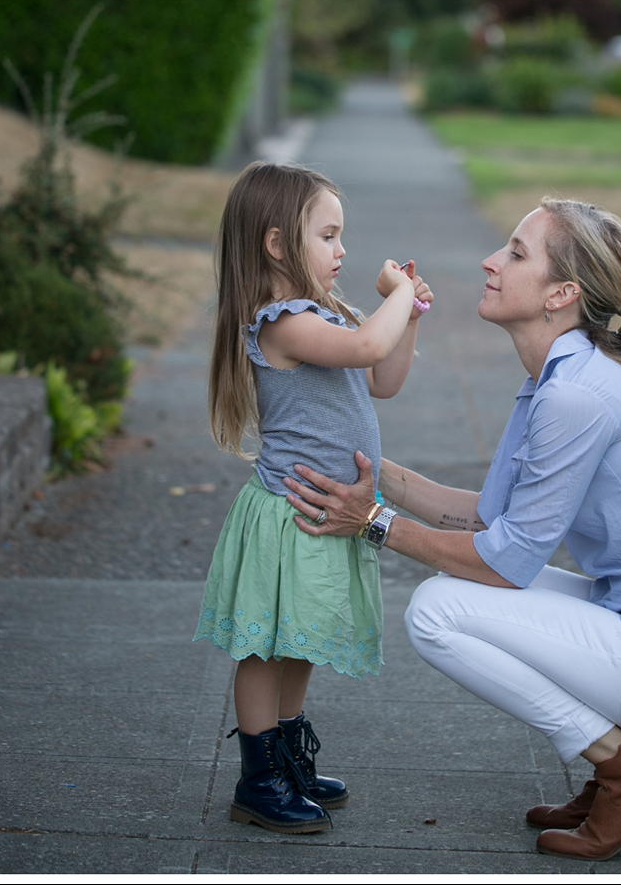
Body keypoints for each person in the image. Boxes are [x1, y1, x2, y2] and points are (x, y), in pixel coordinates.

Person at [281, 197, 621, 860]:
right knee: (463, 595)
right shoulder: (555, 377)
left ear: (562, 294)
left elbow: (503, 561)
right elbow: (487, 520)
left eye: (514, 253)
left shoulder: (575, 394)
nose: (490, 261)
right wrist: (372, 472)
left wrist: (370, 523)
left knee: (437, 612)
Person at [192, 162, 433, 834]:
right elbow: (364, 347)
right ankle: (258, 777)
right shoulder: (282, 322)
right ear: (275, 245)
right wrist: (398, 291)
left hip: (324, 515)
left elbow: (383, 376)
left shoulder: (329, 315)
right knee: (265, 649)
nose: (341, 250)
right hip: (290, 515)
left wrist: (406, 314)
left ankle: (288, 755)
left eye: (341, 236)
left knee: (298, 642)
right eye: (328, 235)